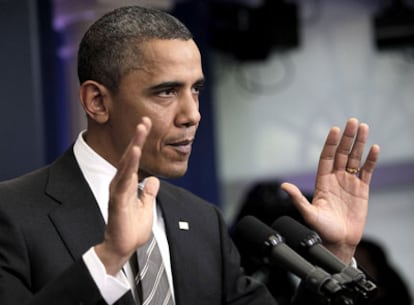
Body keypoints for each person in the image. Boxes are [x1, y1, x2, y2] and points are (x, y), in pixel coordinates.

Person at [0, 5, 380, 305]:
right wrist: (108, 259)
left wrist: (336, 252)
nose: (192, 115)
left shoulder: (201, 221)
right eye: (166, 92)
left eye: (195, 90)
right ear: (97, 101)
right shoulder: (12, 213)